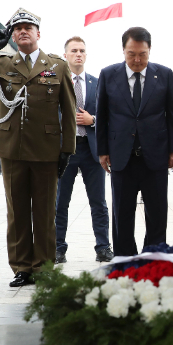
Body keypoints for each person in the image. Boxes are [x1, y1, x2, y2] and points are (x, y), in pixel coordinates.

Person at [0, 8, 76, 287]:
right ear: (12, 36)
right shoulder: (3, 63)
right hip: (12, 147)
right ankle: (22, 267)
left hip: (46, 149)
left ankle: (44, 266)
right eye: (17, 29)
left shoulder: (57, 65)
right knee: (16, 211)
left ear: (39, 33)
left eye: (28, 27)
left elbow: (69, 108)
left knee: (44, 211)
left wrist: (67, 150)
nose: (23, 31)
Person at [96, 27, 173, 257]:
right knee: (122, 213)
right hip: (121, 156)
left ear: (149, 50)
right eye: (131, 53)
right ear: (123, 50)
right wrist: (102, 150)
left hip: (155, 156)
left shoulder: (164, 74)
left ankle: (153, 257)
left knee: (157, 212)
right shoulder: (108, 74)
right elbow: (102, 115)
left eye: (142, 54)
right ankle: (124, 259)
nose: (137, 59)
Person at [54, 36, 114, 264]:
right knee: (60, 202)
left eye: (82, 51)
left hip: (91, 150)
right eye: (74, 51)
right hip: (64, 151)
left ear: (86, 55)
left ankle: (103, 247)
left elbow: (109, 117)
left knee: (98, 202)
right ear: (66, 55)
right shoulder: (56, 82)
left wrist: (93, 120)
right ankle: (58, 248)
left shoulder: (98, 83)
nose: (78, 54)